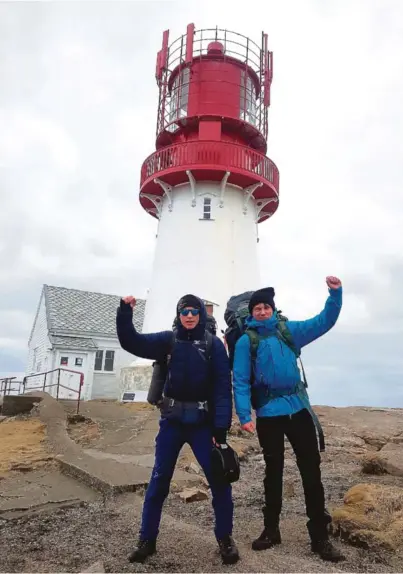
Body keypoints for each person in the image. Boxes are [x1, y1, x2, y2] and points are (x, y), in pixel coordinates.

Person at [116, 294, 239, 565]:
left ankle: (225, 539)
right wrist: (125, 313)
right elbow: (131, 341)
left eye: (195, 311)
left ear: (202, 315)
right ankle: (146, 540)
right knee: (159, 480)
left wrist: (221, 430)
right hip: (171, 423)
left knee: (219, 481)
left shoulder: (214, 345)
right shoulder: (167, 340)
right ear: (179, 314)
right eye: (185, 311)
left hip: (202, 425)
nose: (190, 315)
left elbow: (221, 387)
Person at [232, 276, 345, 562]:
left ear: (272, 309)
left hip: (299, 410)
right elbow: (241, 379)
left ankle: (319, 537)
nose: (261, 311)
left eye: (265, 307)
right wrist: (245, 415)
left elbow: (323, 322)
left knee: (311, 473)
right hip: (269, 414)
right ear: (251, 313)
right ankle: (271, 530)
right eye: (257, 308)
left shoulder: (288, 331)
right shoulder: (247, 341)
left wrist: (335, 295)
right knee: (274, 473)